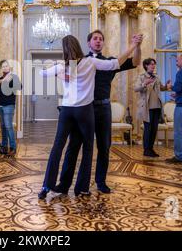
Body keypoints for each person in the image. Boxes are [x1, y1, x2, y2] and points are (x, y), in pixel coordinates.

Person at [38, 35, 138, 199]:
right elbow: (115, 63)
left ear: (64, 49)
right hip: (84, 111)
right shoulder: (91, 61)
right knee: (88, 148)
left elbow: (42, 73)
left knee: (57, 147)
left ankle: (46, 187)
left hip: (67, 111)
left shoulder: (62, 65)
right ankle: (82, 188)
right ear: (80, 46)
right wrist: (132, 46)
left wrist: (58, 73)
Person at [134, 58, 171, 157]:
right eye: (151, 64)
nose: (153, 66)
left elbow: (161, 88)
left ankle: (151, 149)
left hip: (157, 107)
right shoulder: (142, 77)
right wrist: (144, 84)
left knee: (154, 129)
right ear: (146, 65)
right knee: (148, 129)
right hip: (147, 108)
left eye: (154, 64)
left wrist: (166, 86)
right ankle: (146, 150)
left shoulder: (157, 77)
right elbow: (136, 88)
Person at [0, 60, 22, 157]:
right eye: (3, 66)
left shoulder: (14, 77)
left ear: (9, 67)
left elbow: (20, 87)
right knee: (3, 127)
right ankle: (4, 146)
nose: (5, 68)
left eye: (6, 66)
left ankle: (13, 147)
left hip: (9, 105)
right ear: (1, 68)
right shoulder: (0, 78)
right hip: (0, 105)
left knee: (8, 126)